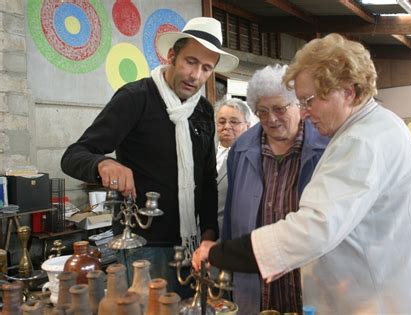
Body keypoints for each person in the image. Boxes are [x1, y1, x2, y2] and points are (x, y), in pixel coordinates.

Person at [193, 34, 411, 314]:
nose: (304, 113)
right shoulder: (377, 125)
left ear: (348, 92)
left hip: (381, 297)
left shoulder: (362, 140)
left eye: (309, 101)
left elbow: (313, 228)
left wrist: (219, 254)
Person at [61, 17, 239, 296]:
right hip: (142, 246)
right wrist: (103, 163)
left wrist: (208, 235)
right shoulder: (136, 98)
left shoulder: (203, 111)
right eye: (190, 62)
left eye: (206, 68)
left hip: (191, 246)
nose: (196, 76)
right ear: (171, 56)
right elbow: (74, 155)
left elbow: (206, 181)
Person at [221, 64, 329, 314]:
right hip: (255, 280)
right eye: (262, 111)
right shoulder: (241, 150)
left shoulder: (323, 147)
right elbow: (230, 220)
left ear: (299, 107)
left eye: (280, 109)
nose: (271, 118)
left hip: (307, 279)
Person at [214, 98, 251, 232]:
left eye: (234, 122)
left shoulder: (251, 160)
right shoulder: (203, 152)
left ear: (248, 126)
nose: (227, 126)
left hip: (227, 233)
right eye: (222, 121)